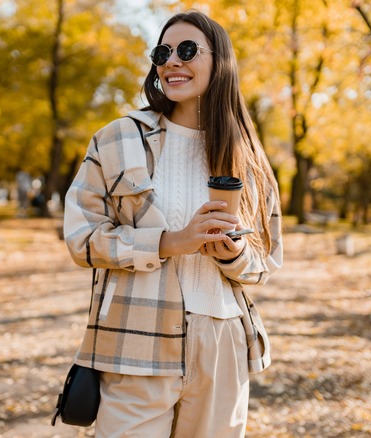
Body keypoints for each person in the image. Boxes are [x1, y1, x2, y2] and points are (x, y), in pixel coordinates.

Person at [62, 10, 283, 437]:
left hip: (223, 342)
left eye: (187, 50)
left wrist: (234, 254)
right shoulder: (118, 138)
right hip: (135, 335)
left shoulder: (249, 157)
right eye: (162, 52)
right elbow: (81, 238)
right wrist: (168, 242)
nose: (171, 62)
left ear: (220, 62)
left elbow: (266, 262)